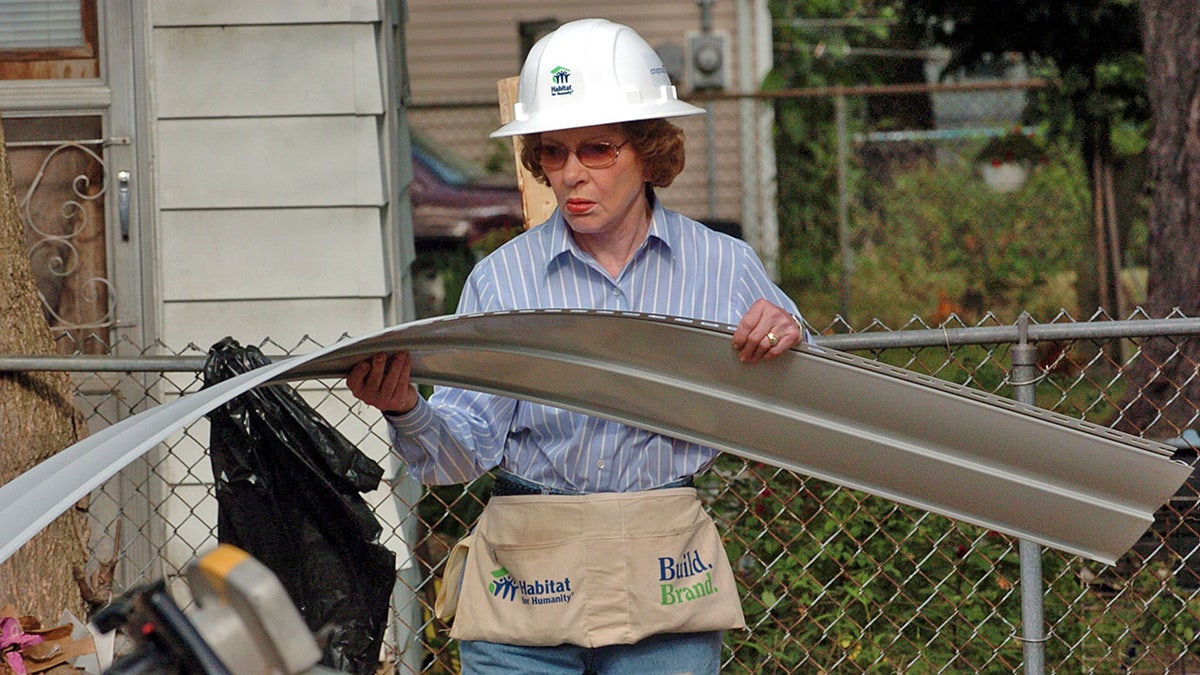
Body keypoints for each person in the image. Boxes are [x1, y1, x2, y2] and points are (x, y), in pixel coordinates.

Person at [348, 18, 806, 675]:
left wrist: (786, 333)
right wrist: (405, 409)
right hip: (526, 593)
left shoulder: (724, 268)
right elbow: (458, 453)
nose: (570, 174)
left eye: (597, 150)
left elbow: (809, 401)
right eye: (554, 152)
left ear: (648, 152)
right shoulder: (503, 280)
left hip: (664, 584)